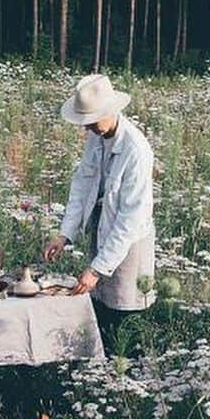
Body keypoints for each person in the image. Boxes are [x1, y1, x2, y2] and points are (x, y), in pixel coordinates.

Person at [43, 73, 155, 353]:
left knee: (124, 313)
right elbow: (82, 185)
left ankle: (127, 377)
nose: (88, 128)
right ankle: (99, 373)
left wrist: (96, 268)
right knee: (99, 309)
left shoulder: (136, 150)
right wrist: (64, 234)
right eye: (85, 122)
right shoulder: (97, 135)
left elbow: (130, 219)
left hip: (129, 243)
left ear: (112, 110)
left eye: (92, 120)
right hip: (102, 228)